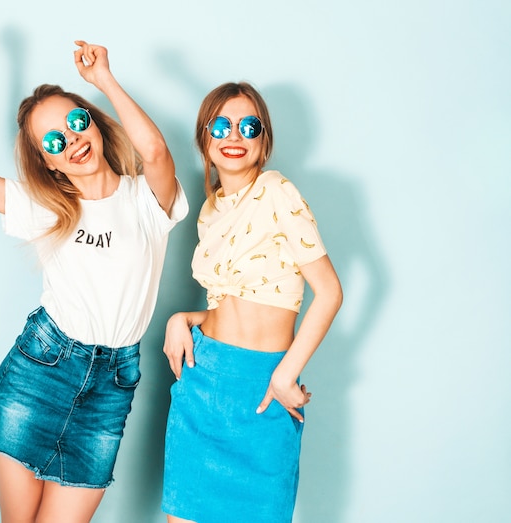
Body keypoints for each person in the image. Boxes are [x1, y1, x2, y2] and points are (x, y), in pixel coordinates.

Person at [0, 19, 188, 523]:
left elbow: (154, 152)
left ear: (94, 120)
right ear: (49, 164)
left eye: (76, 122)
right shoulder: (45, 207)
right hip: (40, 371)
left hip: (111, 388)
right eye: (54, 142)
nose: (72, 140)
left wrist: (104, 79)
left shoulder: (146, 201)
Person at [161, 82, 343, 523]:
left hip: (264, 387)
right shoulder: (210, 211)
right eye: (220, 126)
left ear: (264, 141)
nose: (234, 136)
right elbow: (235, 301)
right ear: (205, 140)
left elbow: (330, 292)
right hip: (202, 382)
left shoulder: (277, 191)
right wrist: (182, 317)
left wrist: (285, 375)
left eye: (249, 126)